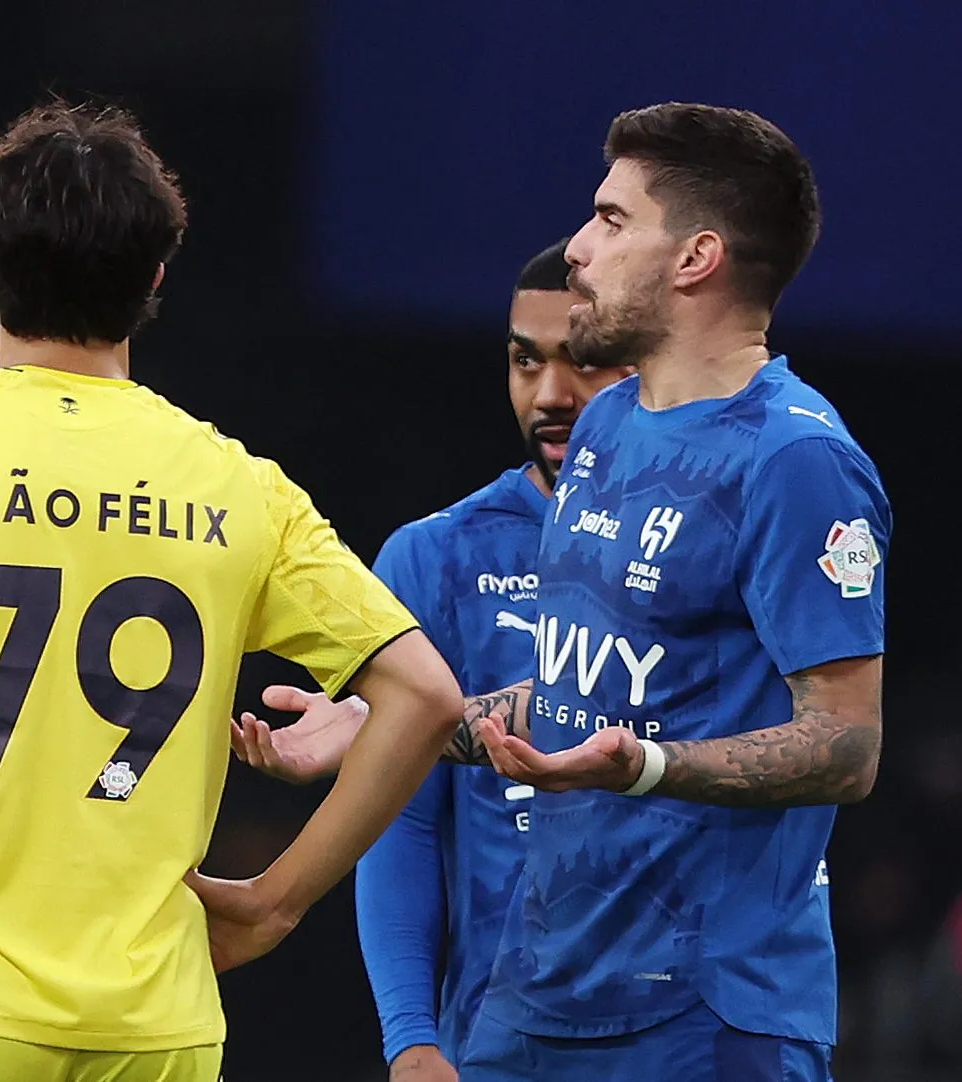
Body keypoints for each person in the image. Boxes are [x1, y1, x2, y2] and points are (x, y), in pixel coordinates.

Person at [0, 99, 463, 1081]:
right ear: (154, 277)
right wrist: (276, 899)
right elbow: (425, 695)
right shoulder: (239, 487)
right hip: (156, 1026)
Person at [227, 102, 887, 1081]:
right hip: (533, 1003)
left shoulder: (795, 458)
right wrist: (388, 726)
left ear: (696, 257)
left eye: (612, 220)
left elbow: (846, 742)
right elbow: (586, 699)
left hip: (705, 1015)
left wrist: (649, 765)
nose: (577, 249)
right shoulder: (609, 427)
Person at [348, 241, 631, 1081]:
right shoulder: (434, 556)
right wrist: (410, 1037)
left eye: (582, 361)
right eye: (524, 361)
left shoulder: (718, 535)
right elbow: (399, 819)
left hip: (692, 1026)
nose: (550, 396)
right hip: (503, 1039)